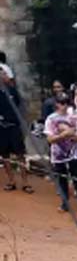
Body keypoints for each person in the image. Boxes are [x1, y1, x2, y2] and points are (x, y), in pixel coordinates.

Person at [44, 93, 77, 214]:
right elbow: (49, 139)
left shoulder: (74, 118)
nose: (63, 105)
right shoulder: (51, 119)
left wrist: (70, 134)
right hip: (58, 155)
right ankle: (65, 204)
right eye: (61, 102)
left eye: (66, 102)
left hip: (74, 153)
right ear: (56, 104)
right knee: (62, 179)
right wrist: (64, 135)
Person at [0, 57, 30, 194]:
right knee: (5, 155)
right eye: (2, 74)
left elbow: (19, 106)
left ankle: (25, 182)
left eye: (4, 74)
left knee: (20, 154)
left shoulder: (12, 91)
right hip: (1, 128)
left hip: (14, 127)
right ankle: (11, 181)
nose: (4, 76)